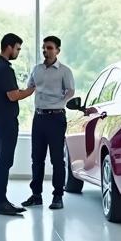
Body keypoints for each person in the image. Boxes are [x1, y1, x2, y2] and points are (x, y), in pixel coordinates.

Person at [0, 33, 35, 216]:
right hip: (6, 122)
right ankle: (0, 202)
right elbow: (12, 95)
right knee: (5, 161)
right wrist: (31, 90)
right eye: (17, 49)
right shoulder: (5, 69)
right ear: (9, 47)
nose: (18, 52)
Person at [22, 35, 75, 211]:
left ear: (58, 50)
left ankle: (58, 196)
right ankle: (36, 195)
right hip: (39, 118)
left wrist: (56, 102)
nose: (46, 51)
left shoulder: (64, 71)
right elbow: (30, 88)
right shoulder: (36, 69)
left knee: (57, 159)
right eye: (44, 48)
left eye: (50, 48)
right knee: (36, 158)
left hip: (56, 118)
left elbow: (70, 91)